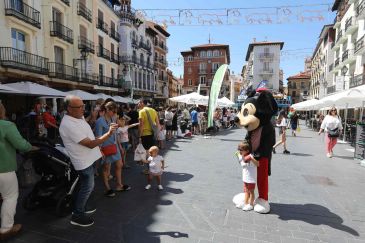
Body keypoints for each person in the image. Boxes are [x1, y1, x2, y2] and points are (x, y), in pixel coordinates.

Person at [59, 95, 118, 227]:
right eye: (80, 107)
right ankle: (77, 214)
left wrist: (92, 117)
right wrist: (108, 134)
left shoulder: (77, 118)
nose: (83, 109)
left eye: (83, 105)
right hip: (83, 161)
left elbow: (89, 134)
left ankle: (82, 206)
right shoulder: (68, 124)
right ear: (69, 109)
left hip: (89, 158)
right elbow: (90, 143)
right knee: (87, 187)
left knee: (86, 186)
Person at [0, 103, 34, 240]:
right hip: (4, 170)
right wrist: (30, 146)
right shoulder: (6, 125)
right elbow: (21, 145)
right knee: (10, 197)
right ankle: (6, 229)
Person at [95, 101, 131, 197]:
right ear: (107, 109)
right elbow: (98, 137)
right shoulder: (99, 121)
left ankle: (119, 185)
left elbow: (116, 133)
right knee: (106, 168)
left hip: (115, 146)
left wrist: (119, 146)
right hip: (105, 147)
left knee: (120, 164)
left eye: (115, 111)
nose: (115, 113)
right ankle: (107, 188)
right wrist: (100, 150)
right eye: (113, 111)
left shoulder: (113, 118)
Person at [236, 141, 259, 211]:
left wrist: (251, 158)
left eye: (241, 150)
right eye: (239, 149)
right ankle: (245, 203)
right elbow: (242, 164)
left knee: (251, 191)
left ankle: (251, 204)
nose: (239, 151)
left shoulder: (251, 156)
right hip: (245, 177)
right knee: (246, 191)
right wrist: (239, 156)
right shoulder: (242, 155)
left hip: (251, 178)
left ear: (247, 151)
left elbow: (258, 164)